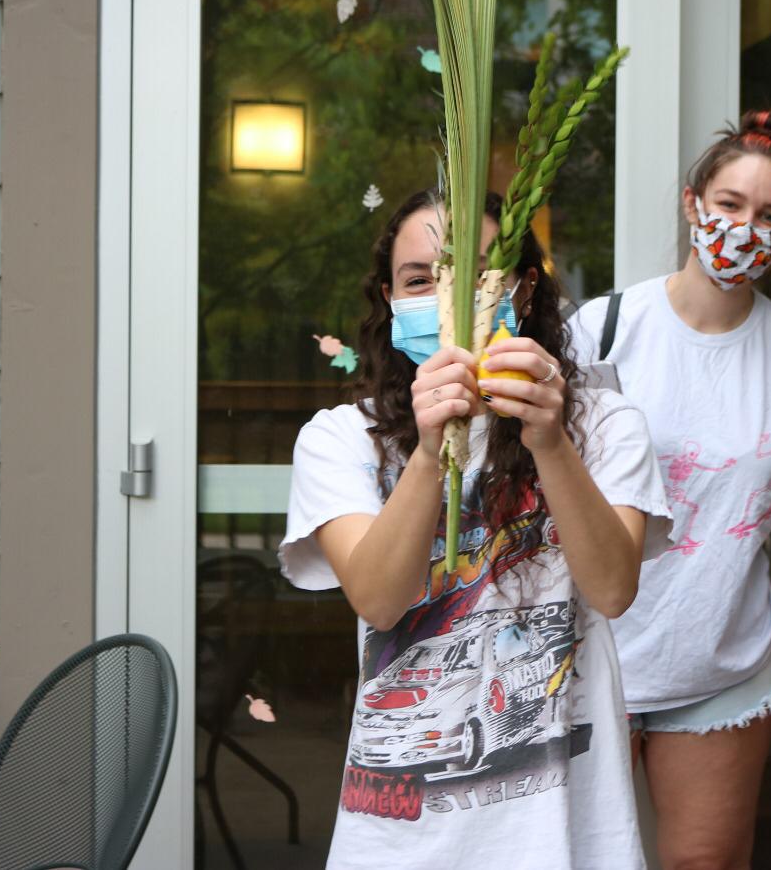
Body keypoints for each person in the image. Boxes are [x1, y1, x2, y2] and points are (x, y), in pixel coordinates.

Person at [280, 189, 672, 869]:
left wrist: (549, 442)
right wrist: (432, 454)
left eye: (478, 276)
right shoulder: (341, 440)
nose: (449, 299)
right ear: (390, 298)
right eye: (420, 280)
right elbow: (378, 599)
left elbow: (612, 589)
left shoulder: (603, 426)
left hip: (567, 839)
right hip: (398, 843)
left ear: (522, 290)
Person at [566, 111, 771, 870]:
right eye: (729, 204)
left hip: (720, 665)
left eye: (770, 215)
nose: (746, 227)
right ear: (693, 203)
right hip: (590, 660)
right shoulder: (605, 329)